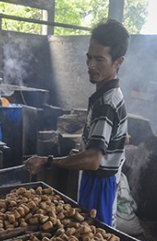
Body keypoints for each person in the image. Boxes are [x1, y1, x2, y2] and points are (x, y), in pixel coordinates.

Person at [24, 19, 129, 226]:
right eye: (89, 57)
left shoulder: (106, 103)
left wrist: (47, 161)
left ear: (118, 62)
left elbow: (93, 160)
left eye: (100, 60)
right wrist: (82, 153)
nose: (90, 65)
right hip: (96, 180)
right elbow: (116, 140)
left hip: (99, 185)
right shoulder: (107, 95)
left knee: (96, 239)